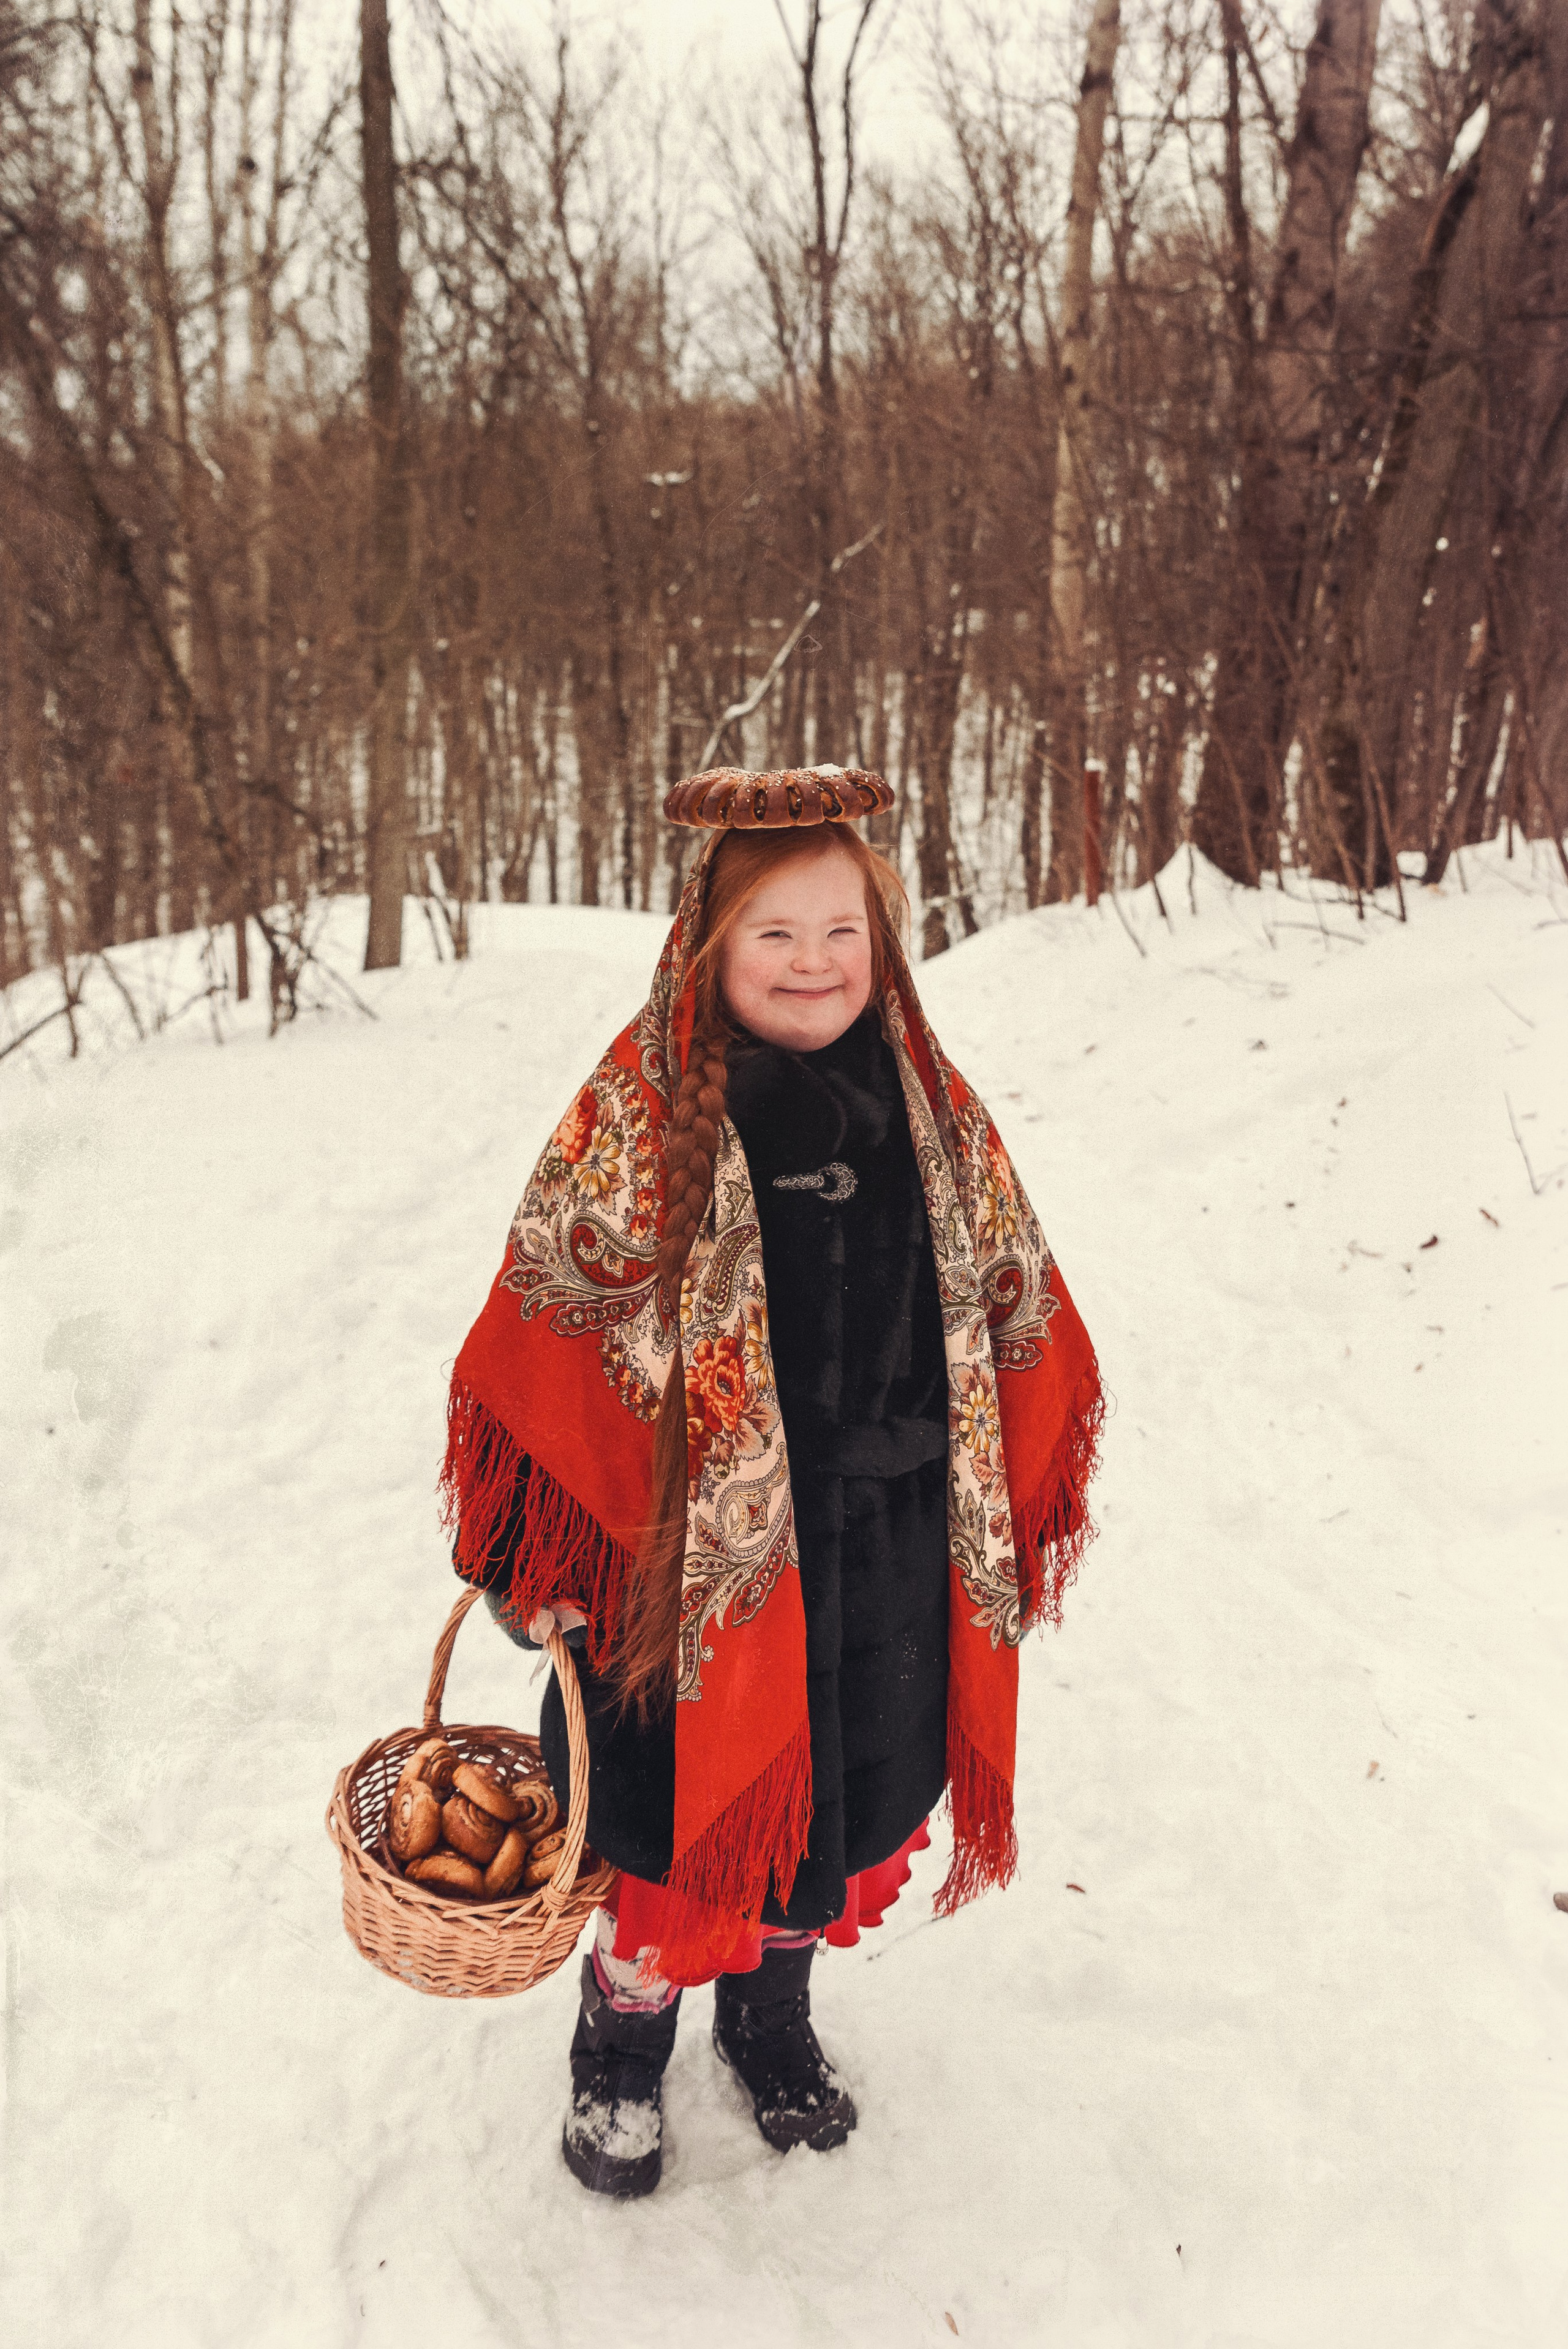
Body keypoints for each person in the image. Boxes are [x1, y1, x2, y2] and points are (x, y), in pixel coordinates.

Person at [440, 764, 1102, 2198]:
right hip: (684, 1572)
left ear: (883, 944)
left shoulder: (925, 1102)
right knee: (674, 1836)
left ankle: (770, 2013)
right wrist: (532, 1545)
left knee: (834, 1804)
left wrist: (996, 1481)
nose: (813, 966)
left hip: (879, 1537)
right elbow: (543, 1325)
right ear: (708, 946)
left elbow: (1011, 1295)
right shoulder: (641, 1111)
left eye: (840, 936)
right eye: (775, 939)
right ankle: (622, 2047)